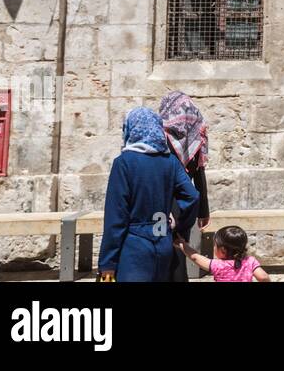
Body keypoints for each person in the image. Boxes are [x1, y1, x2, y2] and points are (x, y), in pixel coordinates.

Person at [98, 107, 199, 282]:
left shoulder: (123, 163)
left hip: (134, 248)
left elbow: (116, 217)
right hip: (163, 242)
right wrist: (179, 229)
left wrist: (108, 262)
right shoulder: (171, 162)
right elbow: (192, 196)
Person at [159, 90, 211, 282]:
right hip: (185, 200)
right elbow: (199, 172)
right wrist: (203, 211)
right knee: (180, 244)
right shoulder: (197, 135)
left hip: (161, 198)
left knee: (161, 243)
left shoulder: (161, 135)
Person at [175, 225, 270, 282]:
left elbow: (195, 257)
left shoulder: (217, 265)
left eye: (215, 246)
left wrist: (182, 244)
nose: (214, 248)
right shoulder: (250, 261)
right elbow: (263, 277)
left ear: (223, 250)